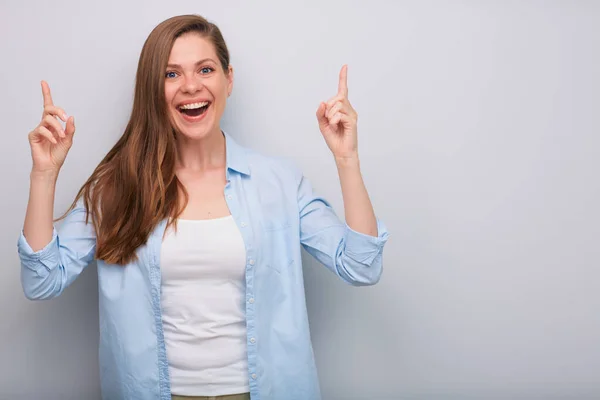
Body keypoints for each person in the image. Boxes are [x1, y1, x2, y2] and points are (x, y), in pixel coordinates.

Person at [18, 14, 389, 400]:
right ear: (152, 88)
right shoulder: (116, 187)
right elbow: (42, 281)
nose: (191, 86)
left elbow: (361, 266)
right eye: (171, 74)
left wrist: (347, 160)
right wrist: (43, 175)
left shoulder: (279, 182)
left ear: (228, 79)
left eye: (205, 69)